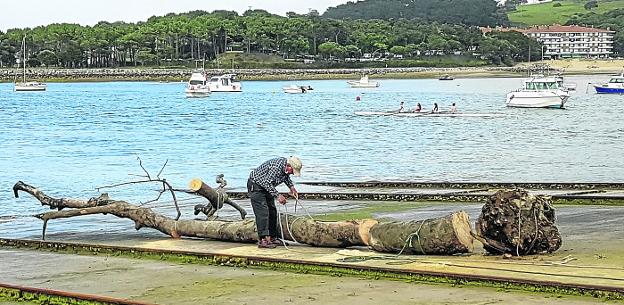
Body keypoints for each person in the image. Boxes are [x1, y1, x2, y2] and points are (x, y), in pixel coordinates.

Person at [247, 156, 302, 248]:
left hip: (266, 187)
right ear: (288, 166)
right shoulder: (276, 168)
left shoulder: (285, 168)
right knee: (263, 212)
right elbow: (266, 182)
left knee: (272, 211)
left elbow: (285, 177)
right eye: (292, 171)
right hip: (256, 186)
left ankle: (272, 237)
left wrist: (292, 187)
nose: (292, 173)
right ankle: (263, 239)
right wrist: (278, 196)